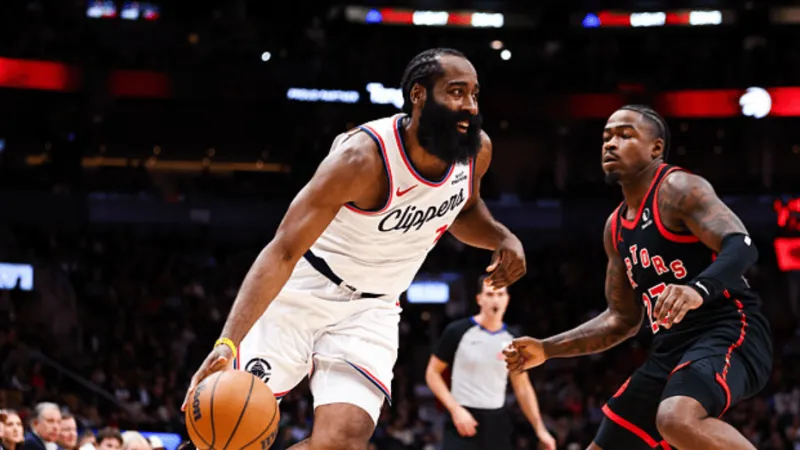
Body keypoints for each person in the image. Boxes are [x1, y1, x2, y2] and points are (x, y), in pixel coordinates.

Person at [183, 47, 526, 449]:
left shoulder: (475, 151)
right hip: (304, 290)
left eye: (474, 94)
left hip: (372, 309)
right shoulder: (361, 159)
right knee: (224, 431)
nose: (469, 105)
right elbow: (283, 251)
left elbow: (463, 210)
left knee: (343, 441)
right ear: (418, 95)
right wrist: (226, 343)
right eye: (456, 92)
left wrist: (503, 237)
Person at [504, 105, 772, 450]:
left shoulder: (678, 189)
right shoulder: (615, 228)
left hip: (729, 329)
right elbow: (621, 320)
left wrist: (697, 290)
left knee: (676, 419)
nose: (610, 143)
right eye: (606, 137)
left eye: (625, 135)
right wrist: (546, 348)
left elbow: (742, 244)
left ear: (656, 148)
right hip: (670, 349)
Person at [426, 276, 556, 450]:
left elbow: (522, 387)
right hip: (462, 419)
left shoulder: (514, 339)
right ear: (479, 299)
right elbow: (432, 373)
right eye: (490, 294)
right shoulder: (457, 331)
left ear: (507, 299)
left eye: (500, 294)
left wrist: (540, 430)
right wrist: (455, 409)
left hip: (497, 422)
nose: (495, 300)